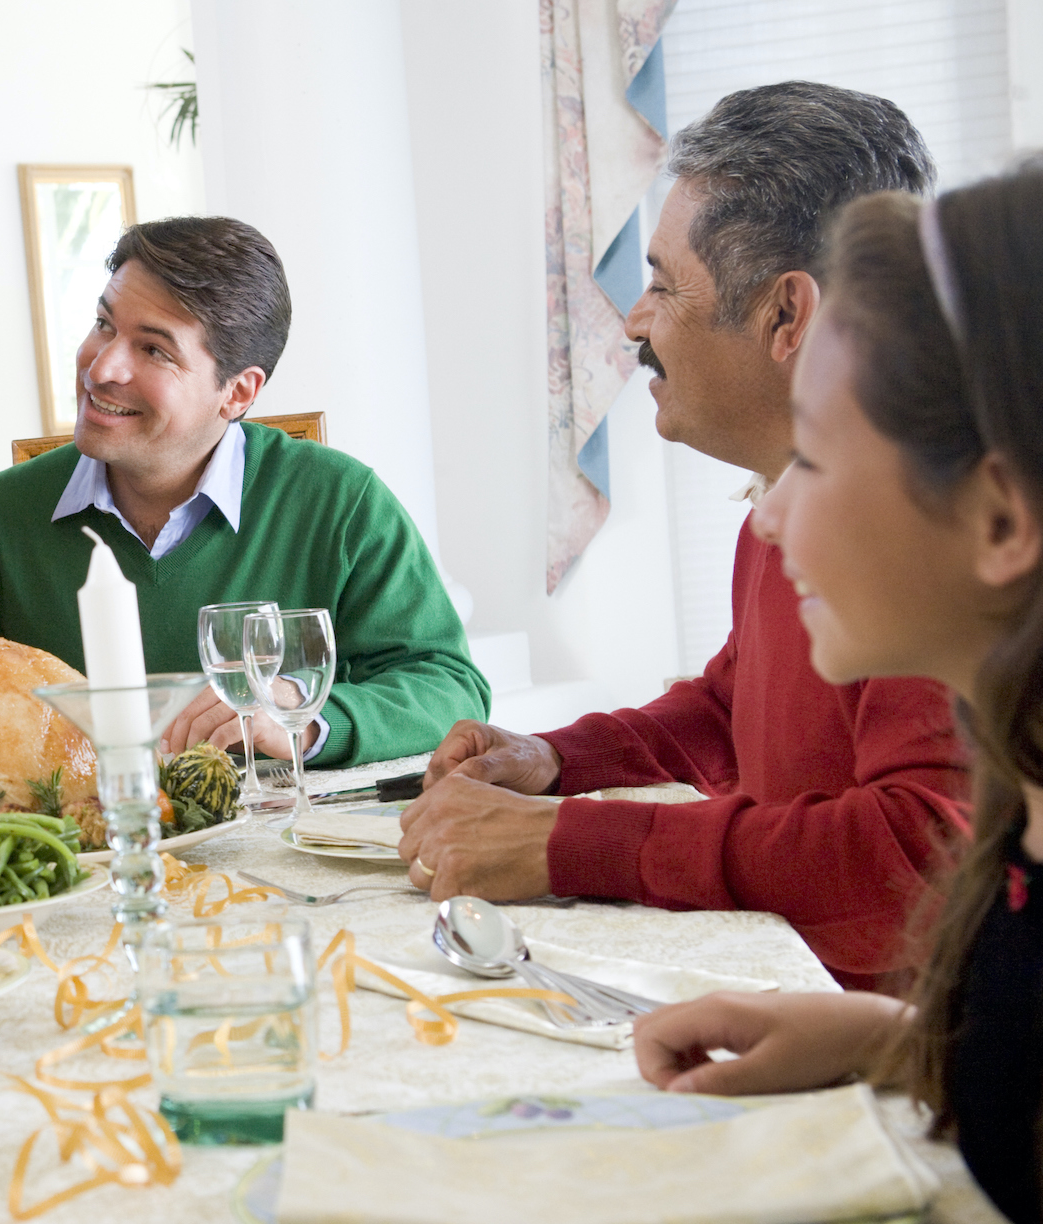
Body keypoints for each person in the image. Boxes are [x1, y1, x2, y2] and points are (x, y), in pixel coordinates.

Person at [398, 82, 967, 988]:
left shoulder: (921, 529)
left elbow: (916, 845)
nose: (633, 320)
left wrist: (573, 844)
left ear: (787, 314)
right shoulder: (786, 499)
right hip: (789, 1001)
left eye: (662, 283)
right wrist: (552, 762)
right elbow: (730, 705)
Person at [634, 163, 1043, 1224]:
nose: (767, 522)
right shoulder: (1021, 786)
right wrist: (894, 1043)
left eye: (809, 462)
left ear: (999, 522)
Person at [0, 216, 486, 768]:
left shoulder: (342, 502)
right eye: (104, 324)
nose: (101, 367)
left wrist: (304, 713)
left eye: (154, 350)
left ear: (237, 392)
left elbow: (450, 687)